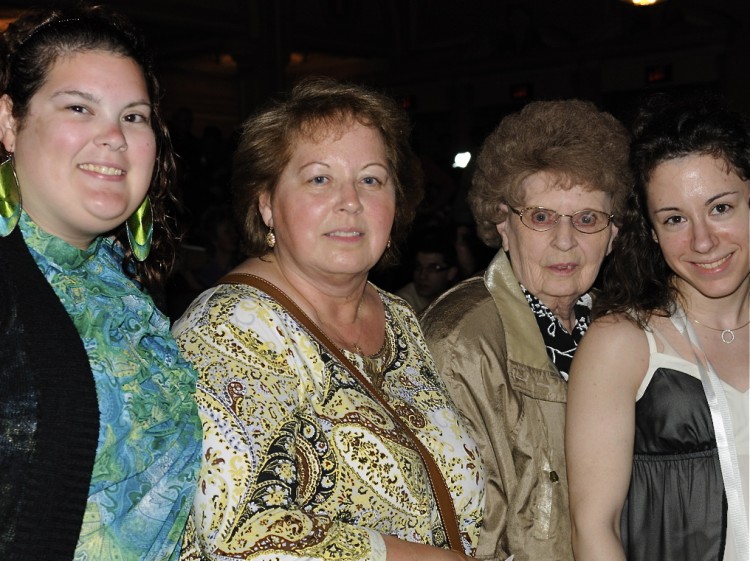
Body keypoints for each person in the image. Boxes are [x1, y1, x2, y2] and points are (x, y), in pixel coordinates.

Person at [173, 76, 485, 561]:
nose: (351, 201)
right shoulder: (229, 327)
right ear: (266, 205)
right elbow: (236, 534)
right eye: (320, 178)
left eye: (371, 179)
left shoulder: (398, 316)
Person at [0, 7, 202, 561]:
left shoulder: (126, 287)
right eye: (79, 108)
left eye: (133, 117)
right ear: (9, 123)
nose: (113, 136)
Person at [420, 99, 631, 561]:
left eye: (588, 219)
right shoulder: (461, 340)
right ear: (502, 222)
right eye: (541, 217)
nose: (565, 240)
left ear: (614, 233)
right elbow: (462, 533)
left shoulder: (620, 327)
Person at [566, 94, 749, 561]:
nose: (703, 240)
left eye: (721, 208)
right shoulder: (622, 343)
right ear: (649, 231)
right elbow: (593, 529)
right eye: (674, 219)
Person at [396, 228, 460, 314]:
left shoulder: (457, 297)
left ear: (451, 273)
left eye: (432, 268)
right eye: (418, 267)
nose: (422, 275)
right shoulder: (401, 306)